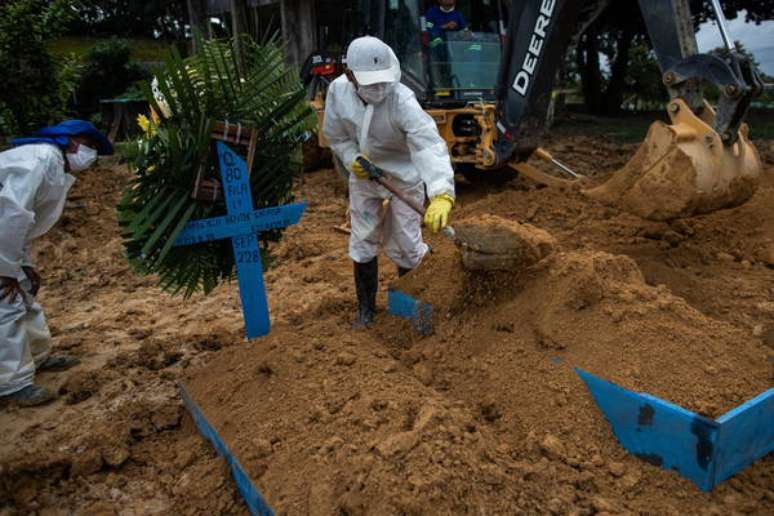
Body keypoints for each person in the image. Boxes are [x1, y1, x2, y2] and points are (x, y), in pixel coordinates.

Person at [323, 36, 455, 328]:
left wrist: (441, 193)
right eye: (370, 83)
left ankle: (415, 309)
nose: (378, 89)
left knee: (407, 244)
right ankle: (366, 310)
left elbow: (427, 146)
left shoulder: (401, 100)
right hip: (364, 176)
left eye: (382, 81)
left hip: (404, 178)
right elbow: (336, 136)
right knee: (363, 239)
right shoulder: (338, 93)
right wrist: (350, 158)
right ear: (350, 76)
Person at [0, 120, 113, 407]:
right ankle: (12, 385)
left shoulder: (52, 163)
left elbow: (22, 224)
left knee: (24, 295)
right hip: (3, 237)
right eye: (90, 146)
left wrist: (22, 266)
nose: (91, 154)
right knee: (6, 304)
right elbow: (12, 214)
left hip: (8, 239)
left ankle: (38, 356)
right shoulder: (41, 159)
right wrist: (5, 271)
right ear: (72, 141)